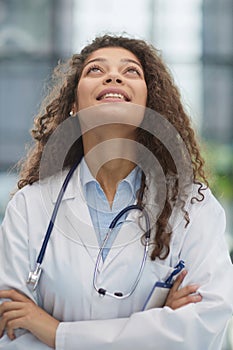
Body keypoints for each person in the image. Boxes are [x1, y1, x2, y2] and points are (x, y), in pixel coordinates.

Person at [0, 34, 232, 350]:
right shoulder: (30, 207)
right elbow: (11, 333)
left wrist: (56, 333)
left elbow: (204, 325)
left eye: (131, 71)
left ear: (151, 105)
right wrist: (157, 323)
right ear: (73, 107)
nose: (113, 75)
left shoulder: (193, 206)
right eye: (95, 70)